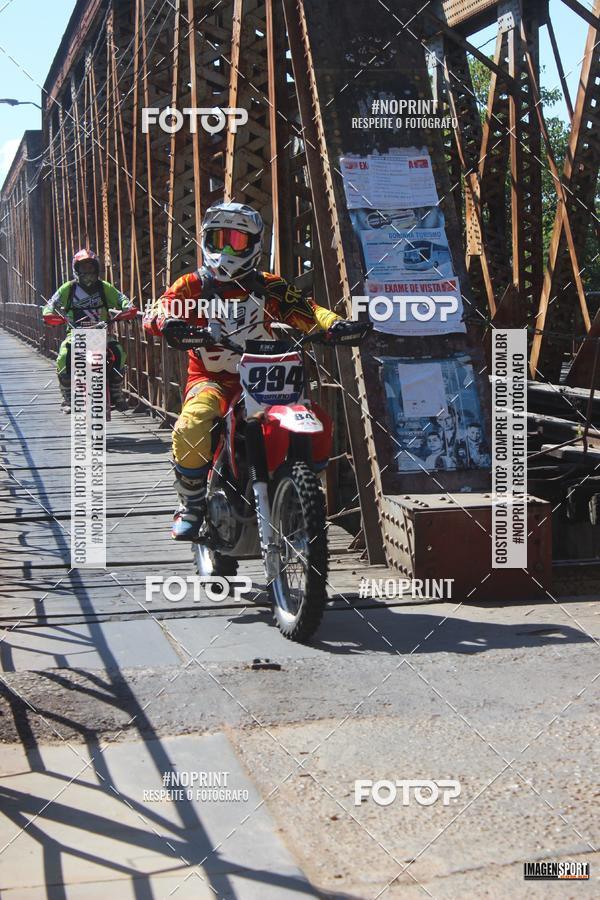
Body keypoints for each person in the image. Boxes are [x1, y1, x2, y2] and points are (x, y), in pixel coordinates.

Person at [144, 200, 360, 541]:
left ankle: (302, 492)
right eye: (219, 240)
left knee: (319, 420)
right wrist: (167, 322)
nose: (227, 249)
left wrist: (335, 325)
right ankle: (192, 503)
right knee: (194, 422)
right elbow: (157, 309)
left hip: (267, 379)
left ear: (254, 245)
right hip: (213, 380)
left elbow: (306, 309)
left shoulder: (269, 285)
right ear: (205, 241)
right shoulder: (191, 286)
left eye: (237, 241)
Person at [42, 250, 137, 412]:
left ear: (97, 269)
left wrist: (128, 309)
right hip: (75, 334)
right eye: (83, 268)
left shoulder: (104, 287)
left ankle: (116, 391)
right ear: (76, 269)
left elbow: (122, 300)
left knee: (119, 352)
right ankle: (67, 397)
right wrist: (49, 315)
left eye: (91, 268)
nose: (88, 272)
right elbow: (50, 305)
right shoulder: (68, 288)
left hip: (101, 333)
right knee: (64, 355)